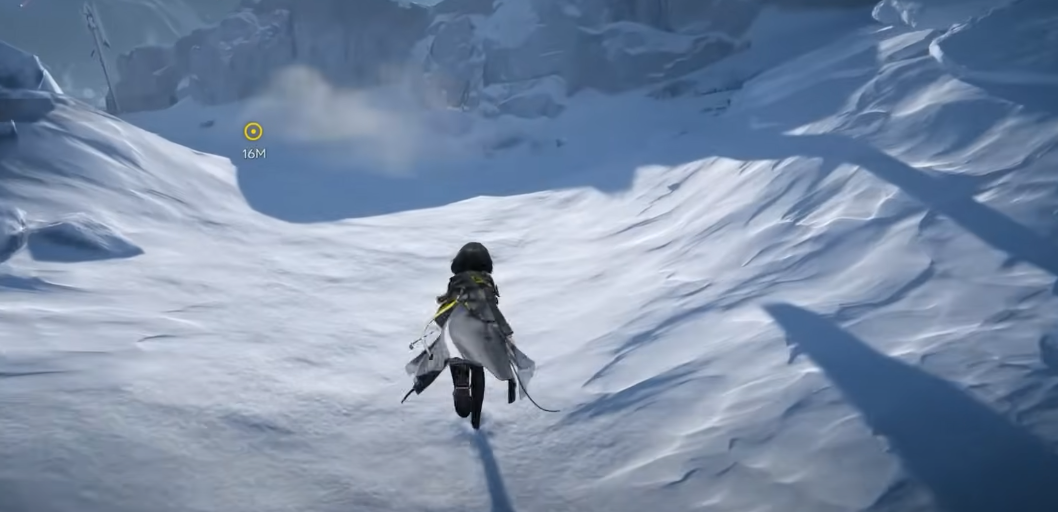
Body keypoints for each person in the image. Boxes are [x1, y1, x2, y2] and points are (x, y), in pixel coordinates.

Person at [403, 242, 536, 430]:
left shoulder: (456, 281)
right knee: (478, 367)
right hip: (480, 332)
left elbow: (447, 306)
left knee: (458, 359)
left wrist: (438, 328)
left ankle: (461, 384)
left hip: (456, 329)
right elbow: (492, 310)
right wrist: (507, 332)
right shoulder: (486, 282)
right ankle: (476, 418)